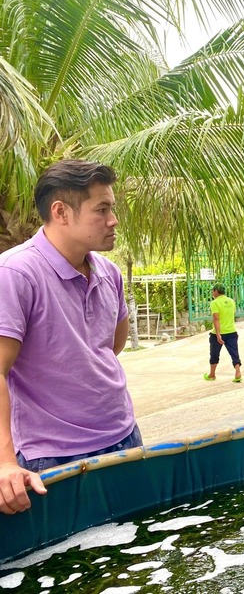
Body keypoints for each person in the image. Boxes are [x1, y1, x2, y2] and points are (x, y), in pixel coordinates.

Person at [0, 159, 141, 515]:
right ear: (61, 212)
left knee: (136, 559)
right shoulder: (16, 274)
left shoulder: (109, 272)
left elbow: (111, 346)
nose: (114, 220)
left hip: (124, 437)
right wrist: (4, 463)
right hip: (54, 456)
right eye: (102, 209)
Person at [203, 284, 242, 382]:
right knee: (234, 353)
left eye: (213, 291)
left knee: (214, 354)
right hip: (232, 331)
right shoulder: (231, 301)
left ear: (216, 291)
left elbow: (216, 318)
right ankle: (238, 372)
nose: (212, 293)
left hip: (218, 333)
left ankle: (212, 374)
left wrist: (218, 334)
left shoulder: (214, 303)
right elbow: (232, 314)